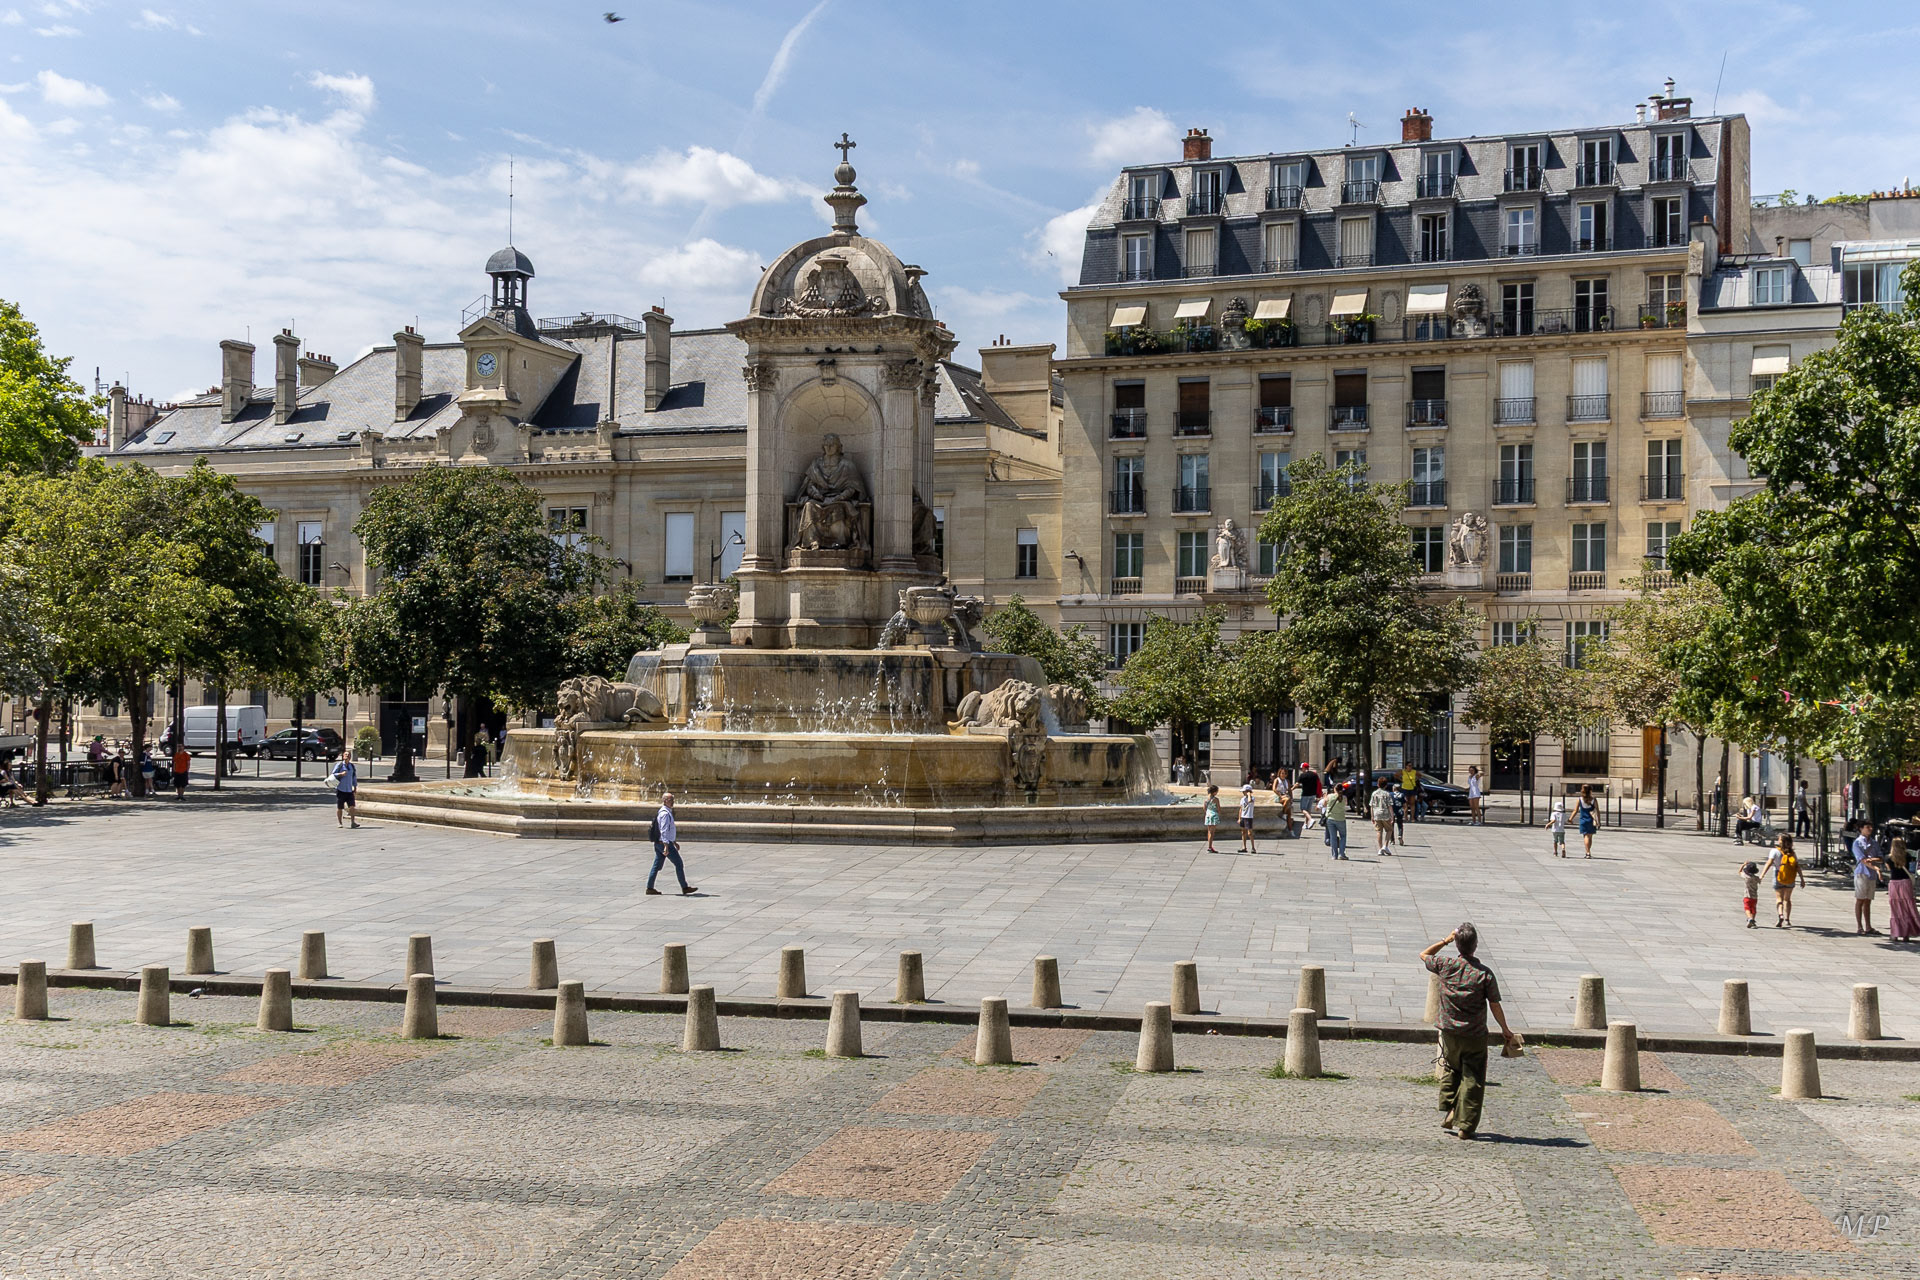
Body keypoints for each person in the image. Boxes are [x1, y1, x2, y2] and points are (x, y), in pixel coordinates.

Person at [1421, 923, 1521, 1140]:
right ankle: (1465, 1126)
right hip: (1474, 1035)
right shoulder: (1485, 974)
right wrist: (1505, 1029)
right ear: (1476, 945)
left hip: (1449, 1032)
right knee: (1473, 1078)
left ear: (1457, 944)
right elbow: (1495, 1004)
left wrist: (1445, 940)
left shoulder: (1445, 965)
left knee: (1452, 1069)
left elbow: (1424, 954)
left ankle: (1450, 1107)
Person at [646, 792, 697, 895]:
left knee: (656, 866)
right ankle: (684, 887)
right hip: (664, 844)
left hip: (661, 843)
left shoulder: (666, 812)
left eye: (673, 800)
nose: (673, 802)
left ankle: (650, 888)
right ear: (665, 801)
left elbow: (668, 830)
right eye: (670, 800)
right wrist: (666, 846)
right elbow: (664, 830)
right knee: (678, 863)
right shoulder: (665, 814)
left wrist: (674, 842)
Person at [1758, 834, 1804, 928]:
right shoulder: (1792, 853)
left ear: (1780, 841)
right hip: (1790, 876)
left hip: (1778, 875)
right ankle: (1787, 919)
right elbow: (1797, 866)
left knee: (1779, 899)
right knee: (1787, 899)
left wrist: (1762, 875)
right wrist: (1802, 879)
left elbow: (1769, 863)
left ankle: (1780, 915)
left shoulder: (1774, 851)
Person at [1885, 838, 1920, 943]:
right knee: (1907, 908)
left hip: (1894, 884)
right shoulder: (1907, 856)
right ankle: (1906, 934)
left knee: (1895, 909)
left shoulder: (1889, 858)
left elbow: (1888, 869)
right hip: (1906, 883)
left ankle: (1895, 934)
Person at [1852, 821, 1883, 936]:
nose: (1870, 829)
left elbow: (1881, 857)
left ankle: (1868, 926)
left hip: (1872, 875)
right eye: (1867, 827)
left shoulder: (1874, 843)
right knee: (1860, 899)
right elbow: (1862, 859)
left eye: (1871, 827)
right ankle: (1859, 926)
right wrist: (1875, 867)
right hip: (1862, 873)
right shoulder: (1857, 843)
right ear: (1861, 829)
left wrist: (1873, 860)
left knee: (1868, 900)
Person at [328, 748, 360, 829]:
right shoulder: (339, 765)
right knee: (340, 807)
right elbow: (333, 774)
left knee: (352, 807)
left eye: (349, 755)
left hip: (349, 790)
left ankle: (353, 822)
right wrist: (341, 774)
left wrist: (355, 786)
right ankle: (339, 822)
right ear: (343, 756)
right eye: (346, 755)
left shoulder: (351, 766)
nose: (347, 756)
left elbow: (354, 777)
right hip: (341, 789)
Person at [1369, 776, 1396, 856]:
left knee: (1379, 831)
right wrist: (1392, 816)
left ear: (1378, 785)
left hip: (1377, 814)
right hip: (1385, 814)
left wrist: (1372, 816)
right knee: (1389, 830)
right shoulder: (1387, 794)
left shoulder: (1374, 793)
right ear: (1386, 785)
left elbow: (1371, 805)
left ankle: (1380, 848)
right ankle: (1385, 845)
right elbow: (1390, 806)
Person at [1325, 787, 1349, 860]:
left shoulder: (1329, 796)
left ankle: (1334, 855)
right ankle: (1341, 853)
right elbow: (1346, 804)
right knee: (1343, 836)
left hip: (1330, 818)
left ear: (1335, 789)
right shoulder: (1344, 797)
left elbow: (1324, 804)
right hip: (1341, 819)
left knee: (1333, 837)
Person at [1575, 785, 1598, 858]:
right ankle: (1588, 851)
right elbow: (1597, 811)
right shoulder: (1594, 799)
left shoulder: (1580, 799)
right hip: (1591, 820)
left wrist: (1570, 818)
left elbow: (1575, 810)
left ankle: (1588, 852)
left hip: (1583, 820)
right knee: (1590, 836)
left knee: (1586, 836)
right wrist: (1598, 821)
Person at [1739, 859, 1761, 929]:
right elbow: (1759, 880)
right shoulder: (1756, 878)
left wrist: (1743, 865)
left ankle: (1749, 918)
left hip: (1747, 896)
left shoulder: (1746, 877)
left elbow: (1739, 872)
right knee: (1753, 909)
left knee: (1747, 907)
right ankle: (1753, 920)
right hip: (1754, 897)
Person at [1237, 781, 1258, 854]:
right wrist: (1239, 818)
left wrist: (1249, 794)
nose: (1243, 793)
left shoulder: (1252, 798)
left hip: (1249, 817)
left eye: (1245, 791)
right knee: (1243, 832)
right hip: (1243, 816)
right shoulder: (1242, 799)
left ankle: (1253, 847)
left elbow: (1249, 801)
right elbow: (1241, 808)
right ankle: (1244, 847)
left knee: (1250, 833)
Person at [1202, 783, 1220, 853]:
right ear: (1214, 792)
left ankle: (1209, 846)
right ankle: (1210, 847)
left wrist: (1207, 812)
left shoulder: (1206, 799)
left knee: (1209, 831)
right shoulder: (1216, 799)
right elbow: (1218, 808)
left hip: (1208, 815)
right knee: (1212, 832)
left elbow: (1204, 808)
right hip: (1214, 815)